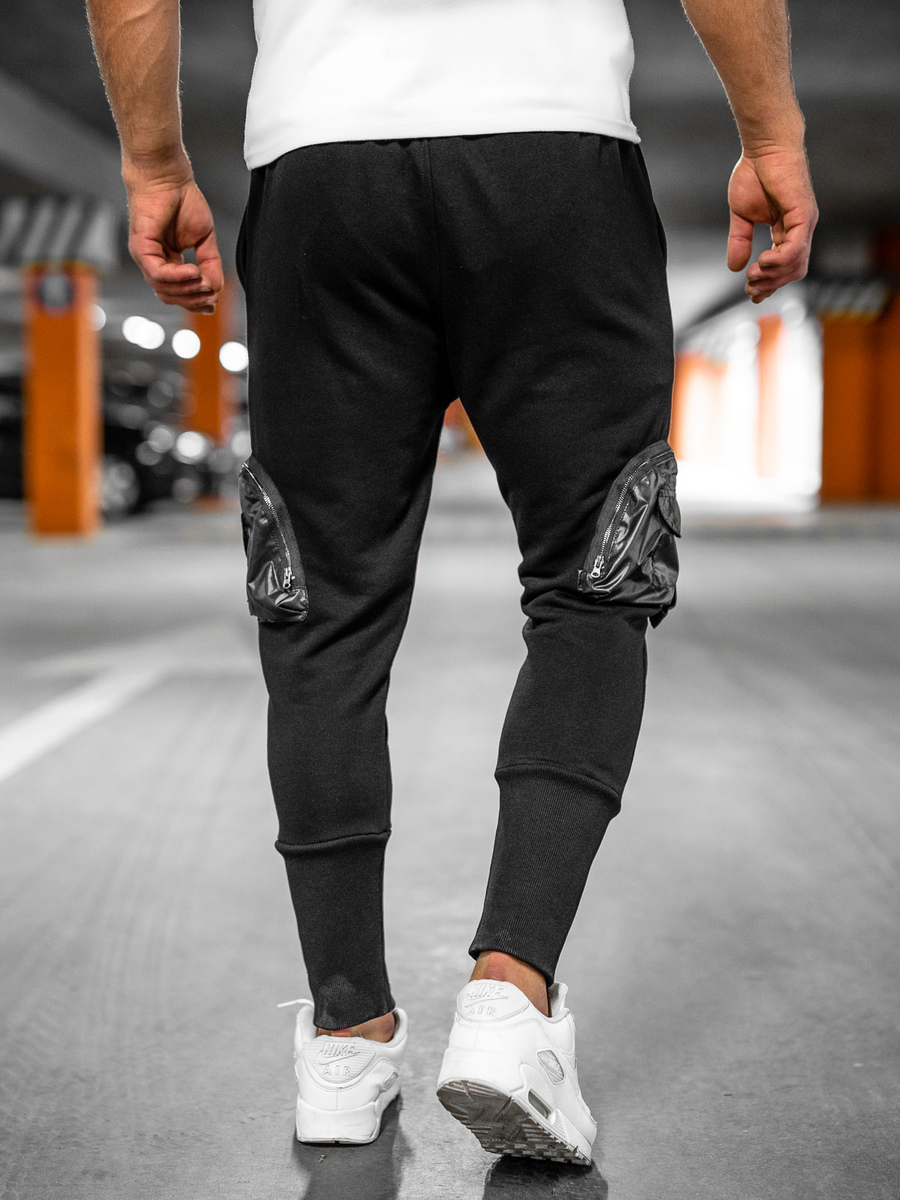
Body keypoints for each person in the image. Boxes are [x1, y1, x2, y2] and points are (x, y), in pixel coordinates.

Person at [86, 0, 817, 1165]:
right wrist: (771, 136)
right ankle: (512, 999)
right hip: (557, 156)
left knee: (318, 612)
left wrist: (155, 163)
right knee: (595, 573)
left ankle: (345, 1042)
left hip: (320, 168)